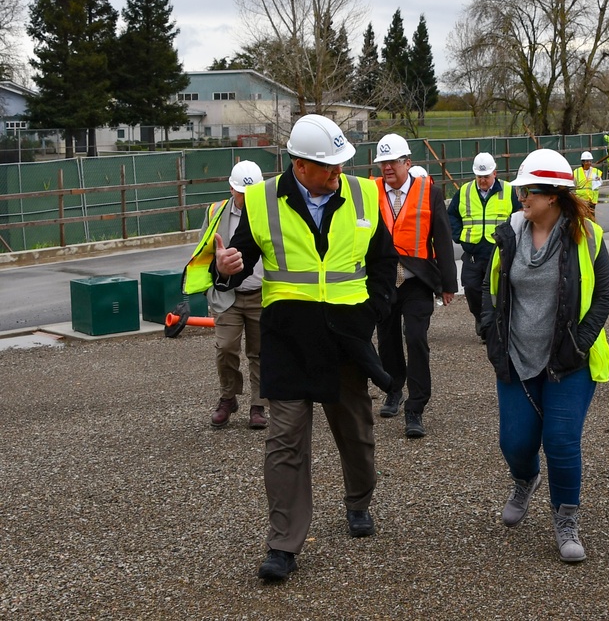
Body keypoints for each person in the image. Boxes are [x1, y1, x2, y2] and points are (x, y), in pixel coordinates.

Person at [212, 114, 398, 582]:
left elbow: (382, 263)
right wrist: (226, 268)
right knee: (285, 441)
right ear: (299, 164)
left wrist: (369, 313)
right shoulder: (260, 201)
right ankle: (283, 543)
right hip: (287, 337)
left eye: (341, 165)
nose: (337, 174)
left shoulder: (363, 194)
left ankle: (359, 502)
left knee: (355, 431)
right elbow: (236, 262)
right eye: (328, 167)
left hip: (346, 336)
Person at [479, 148, 609, 563]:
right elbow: (490, 292)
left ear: (553, 196)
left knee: (560, 441)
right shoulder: (510, 233)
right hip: (517, 358)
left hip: (569, 361)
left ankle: (566, 520)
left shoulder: (587, 236)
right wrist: (491, 336)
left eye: (529, 193)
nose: (522, 199)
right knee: (515, 442)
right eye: (521, 192)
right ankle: (525, 479)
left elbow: (606, 293)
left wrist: (580, 342)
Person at [372, 133, 457, 439]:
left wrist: (448, 283)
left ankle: (415, 408)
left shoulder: (428, 192)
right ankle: (393, 389)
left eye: (393, 162)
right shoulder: (371, 192)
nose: (387, 168)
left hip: (417, 281)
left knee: (416, 337)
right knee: (388, 339)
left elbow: (443, 238)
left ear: (407, 162)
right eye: (383, 163)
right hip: (383, 282)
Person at [184, 160, 267, 429]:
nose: (245, 198)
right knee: (225, 348)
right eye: (241, 192)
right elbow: (203, 251)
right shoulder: (215, 212)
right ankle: (228, 398)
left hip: (261, 293)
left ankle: (258, 405)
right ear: (231, 189)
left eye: (251, 193)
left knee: (260, 352)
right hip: (227, 294)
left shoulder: (269, 213)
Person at [448, 152, 521, 340]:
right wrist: (458, 236)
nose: (482, 180)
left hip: (499, 253)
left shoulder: (508, 191)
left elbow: (520, 214)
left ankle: (494, 325)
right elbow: (451, 215)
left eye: (486, 176)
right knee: (471, 289)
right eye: (479, 176)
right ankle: (481, 318)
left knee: (499, 291)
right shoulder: (464, 191)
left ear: (495, 173)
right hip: (472, 254)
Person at [572, 150, 602, 219]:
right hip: (581, 199)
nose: (588, 163)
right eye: (586, 161)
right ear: (583, 162)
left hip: (591, 200)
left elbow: (600, 183)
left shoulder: (596, 171)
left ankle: (591, 229)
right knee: (582, 217)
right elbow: (573, 185)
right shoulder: (576, 172)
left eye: (590, 161)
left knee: (591, 218)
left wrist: (599, 180)